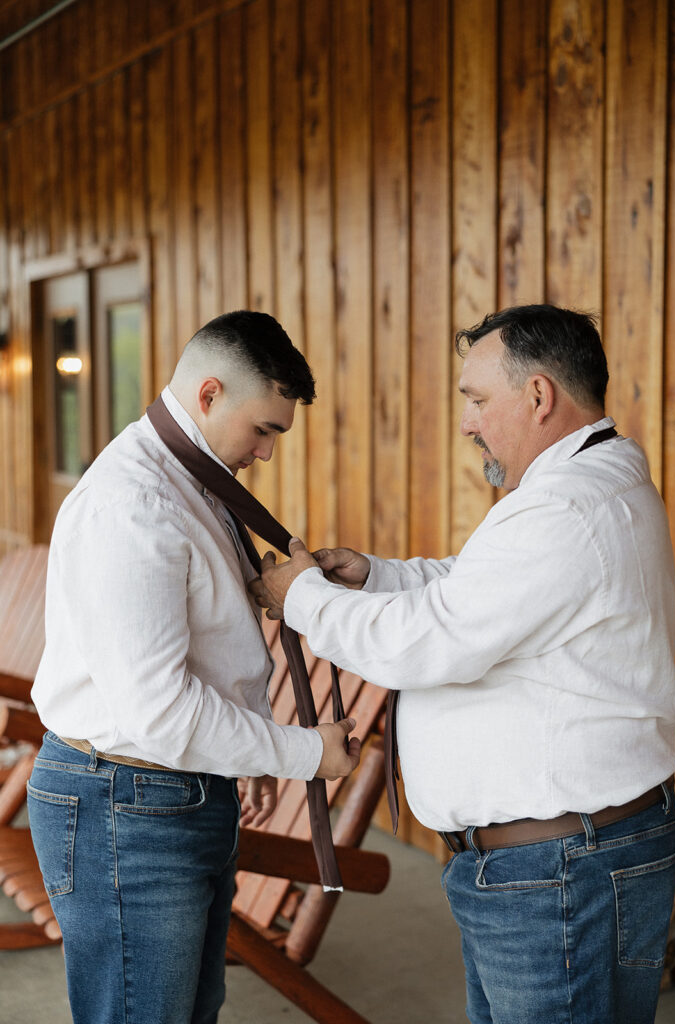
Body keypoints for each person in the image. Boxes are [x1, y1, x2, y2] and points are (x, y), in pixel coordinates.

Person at [252, 304, 675, 1024]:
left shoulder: (565, 509)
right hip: (561, 862)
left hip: (556, 874)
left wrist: (301, 598)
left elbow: (432, 641)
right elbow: (478, 586)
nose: (467, 422)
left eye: (478, 400)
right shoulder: (585, 487)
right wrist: (378, 576)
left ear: (538, 395)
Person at [27, 310, 360, 1024]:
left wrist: (276, 593)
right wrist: (303, 751)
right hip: (126, 802)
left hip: (162, 793)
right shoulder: (134, 504)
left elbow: (194, 634)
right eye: (263, 429)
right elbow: (161, 708)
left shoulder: (189, 479)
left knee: (181, 1011)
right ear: (208, 394)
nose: (267, 453)